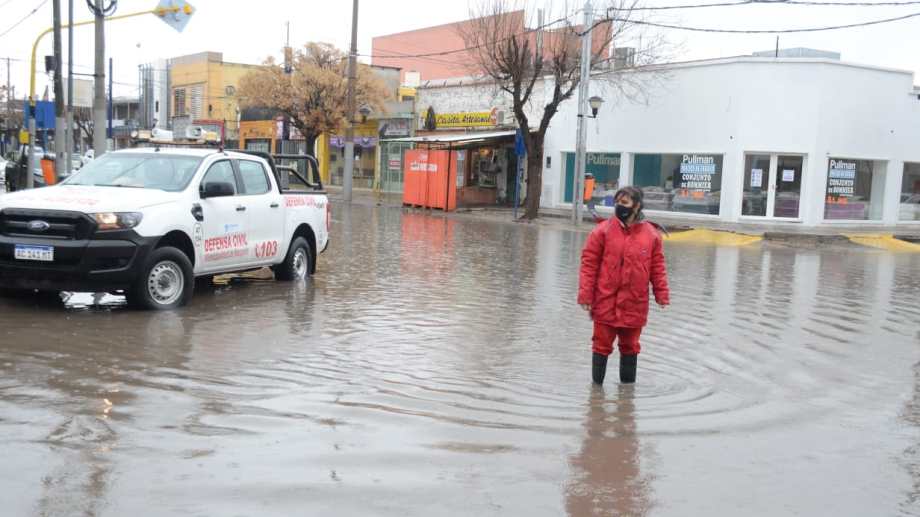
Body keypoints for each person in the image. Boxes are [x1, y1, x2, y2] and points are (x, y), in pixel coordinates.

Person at [578, 186, 670, 384]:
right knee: (601, 346)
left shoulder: (652, 235)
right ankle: (596, 397)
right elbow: (589, 264)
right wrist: (585, 296)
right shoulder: (602, 231)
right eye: (617, 202)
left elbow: (658, 267)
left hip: (635, 304)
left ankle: (626, 401)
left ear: (637, 206)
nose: (620, 206)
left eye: (625, 203)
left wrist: (661, 293)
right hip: (605, 301)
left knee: (630, 347)